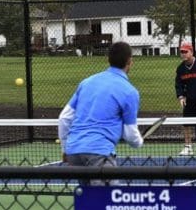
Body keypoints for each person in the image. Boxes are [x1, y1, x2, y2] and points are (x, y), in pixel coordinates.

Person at [58, 41, 143, 173]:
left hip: (73, 152)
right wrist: (138, 142)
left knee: (87, 194)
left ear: (107, 59)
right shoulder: (130, 92)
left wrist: (65, 149)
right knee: (109, 194)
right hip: (99, 153)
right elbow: (130, 135)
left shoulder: (86, 82)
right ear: (130, 61)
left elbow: (64, 118)